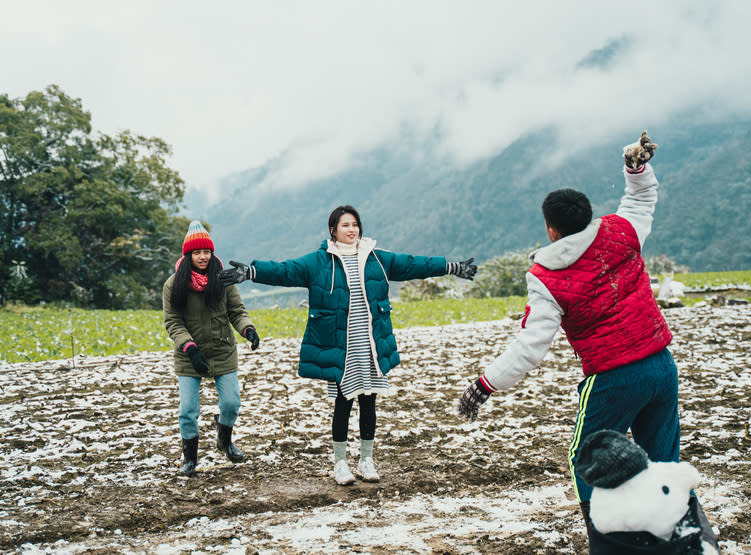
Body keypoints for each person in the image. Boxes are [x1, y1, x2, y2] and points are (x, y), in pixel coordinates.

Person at [456, 132, 720, 552]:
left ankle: (607, 542)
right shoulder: (621, 232)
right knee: (664, 457)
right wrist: (635, 169)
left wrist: (485, 384)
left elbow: (531, 346)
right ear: (588, 215)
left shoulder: (546, 277)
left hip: (613, 378)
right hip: (661, 365)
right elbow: (640, 200)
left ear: (550, 228)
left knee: (586, 457)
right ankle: (691, 537)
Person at [219, 205, 477, 485]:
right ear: (333, 230)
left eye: (355, 224)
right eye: (345, 225)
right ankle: (340, 464)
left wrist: (453, 267)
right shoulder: (318, 262)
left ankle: (367, 460)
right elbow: (285, 271)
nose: (352, 229)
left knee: (369, 403)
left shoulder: (376, 258)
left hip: (370, 346)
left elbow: (415, 264)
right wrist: (252, 272)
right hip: (341, 348)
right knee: (343, 404)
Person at [163, 220, 260, 476]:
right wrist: (190, 349)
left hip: (222, 350)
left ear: (212, 252)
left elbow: (236, 312)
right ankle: (190, 458)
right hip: (189, 355)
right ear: (188, 255)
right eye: (197, 252)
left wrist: (248, 329)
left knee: (231, 403)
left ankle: (225, 440)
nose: (203, 256)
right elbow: (173, 322)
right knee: (187, 411)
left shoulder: (224, 280)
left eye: (206, 251)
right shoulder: (174, 285)